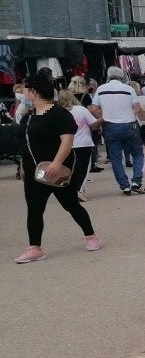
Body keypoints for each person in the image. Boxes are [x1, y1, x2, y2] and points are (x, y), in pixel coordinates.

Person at [14, 70, 100, 263]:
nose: (23, 94)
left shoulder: (59, 113)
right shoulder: (29, 116)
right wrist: (23, 167)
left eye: (25, 90)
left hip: (57, 169)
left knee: (70, 204)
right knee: (34, 209)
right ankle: (34, 247)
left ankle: (90, 235)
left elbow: (67, 140)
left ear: (34, 91)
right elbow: (25, 144)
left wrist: (56, 162)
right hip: (34, 169)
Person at [90, 66, 145, 195]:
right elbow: (138, 109)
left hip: (110, 126)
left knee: (116, 158)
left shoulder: (101, 89)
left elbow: (93, 108)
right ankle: (137, 181)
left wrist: (102, 117)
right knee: (137, 154)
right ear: (122, 76)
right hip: (130, 125)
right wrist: (143, 122)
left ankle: (125, 186)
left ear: (108, 76)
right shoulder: (128, 89)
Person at [56, 86, 99, 203]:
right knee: (84, 169)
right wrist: (103, 119)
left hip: (66, 145)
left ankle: (69, 189)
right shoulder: (81, 109)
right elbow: (94, 124)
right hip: (84, 143)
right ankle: (79, 190)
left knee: (70, 169)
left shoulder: (57, 112)